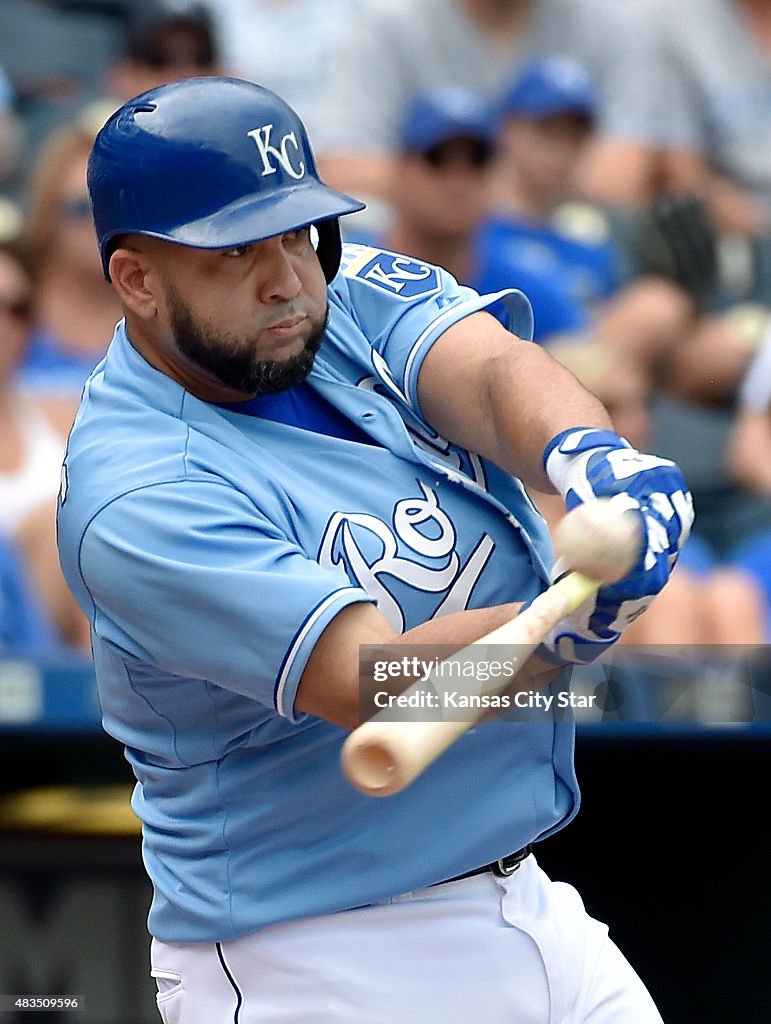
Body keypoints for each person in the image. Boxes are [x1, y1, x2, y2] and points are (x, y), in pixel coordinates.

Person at [57, 77, 694, 1022]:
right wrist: (564, 622)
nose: (284, 277)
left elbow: (489, 372)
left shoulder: (334, 292)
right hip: (316, 953)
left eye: (295, 232)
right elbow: (363, 678)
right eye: (234, 251)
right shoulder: (138, 491)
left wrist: (587, 455)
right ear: (138, 279)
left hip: (525, 901)